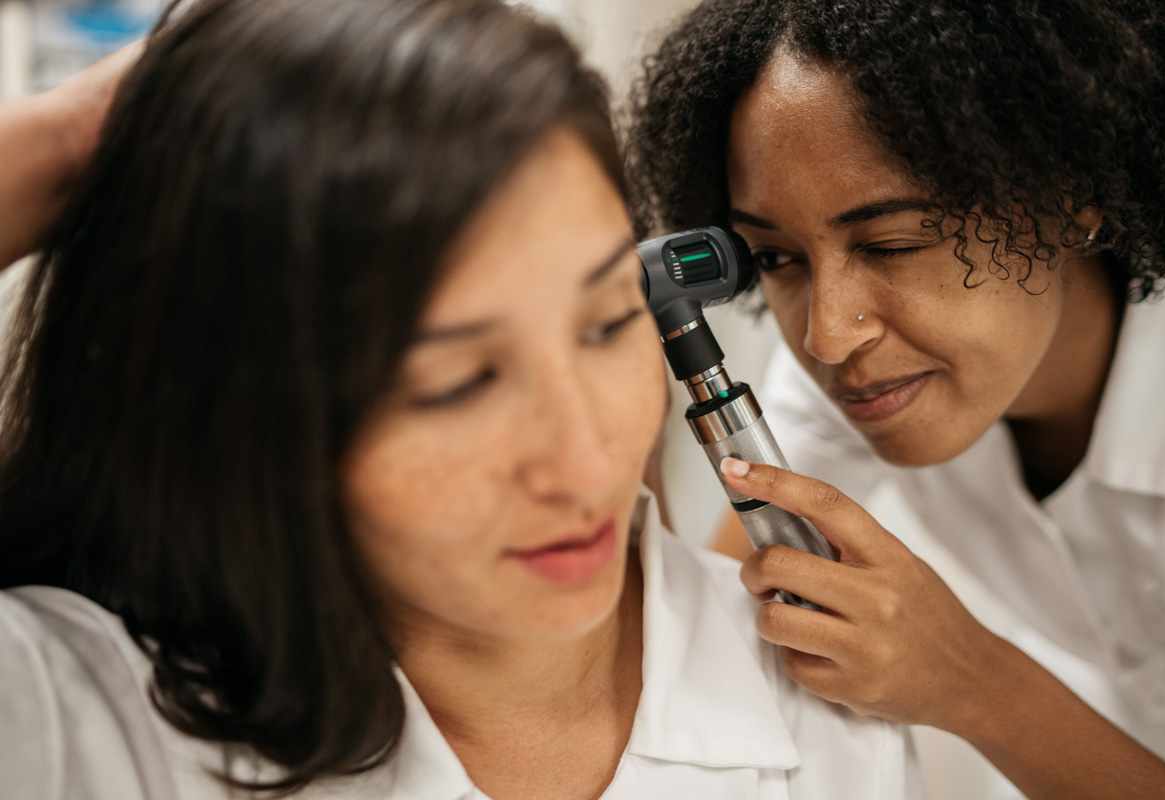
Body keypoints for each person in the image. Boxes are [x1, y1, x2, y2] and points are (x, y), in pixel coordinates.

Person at [0, 0, 925, 797]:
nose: (584, 461)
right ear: (245, 411)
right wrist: (70, 138)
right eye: (458, 383)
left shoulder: (828, 698)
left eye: (606, 324)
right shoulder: (82, 718)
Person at [627, 1, 1165, 798]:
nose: (829, 337)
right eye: (776, 257)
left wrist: (975, 682)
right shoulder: (868, 374)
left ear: (1077, 192)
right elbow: (718, 608)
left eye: (892, 244)